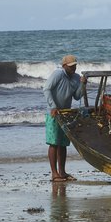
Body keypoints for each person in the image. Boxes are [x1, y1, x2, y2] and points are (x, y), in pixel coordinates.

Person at [43, 54, 86, 182]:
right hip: (53, 113)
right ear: (64, 66)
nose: (74, 68)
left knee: (63, 144)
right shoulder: (58, 74)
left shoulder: (76, 78)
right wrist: (53, 106)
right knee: (53, 143)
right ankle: (54, 173)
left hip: (66, 113)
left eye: (75, 66)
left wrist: (83, 85)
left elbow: (77, 96)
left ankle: (62, 172)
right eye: (71, 66)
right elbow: (46, 89)